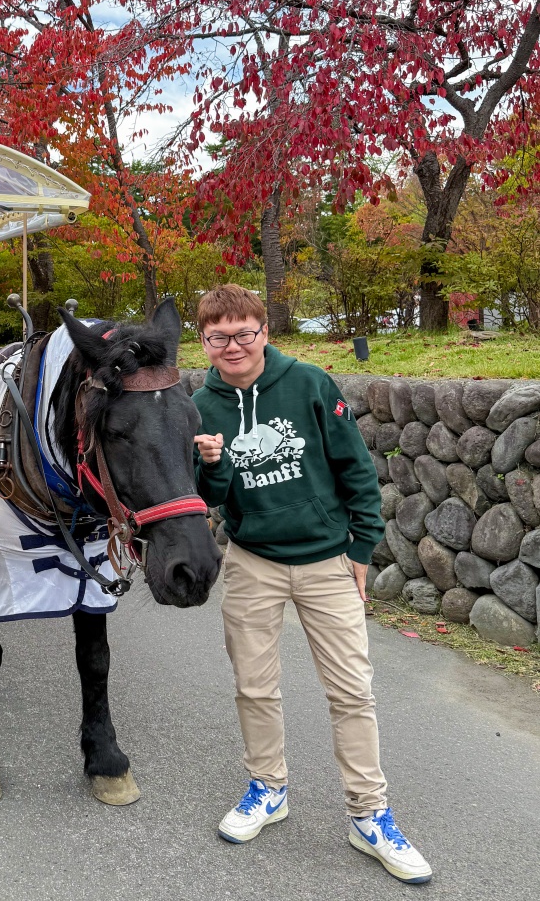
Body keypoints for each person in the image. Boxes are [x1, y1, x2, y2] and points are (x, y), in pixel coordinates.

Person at [192, 284, 431, 885]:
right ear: (203, 342)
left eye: (244, 332)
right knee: (255, 687)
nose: (233, 345)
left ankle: (369, 813)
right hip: (252, 561)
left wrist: (360, 546)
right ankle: (268, 789)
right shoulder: (201, 407)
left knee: (352, 690)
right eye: (218, 336)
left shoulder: (310, 384)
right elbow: (206, 502)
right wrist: (214, 465)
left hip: (327, 560)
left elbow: (355, 468)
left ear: (264, 332)